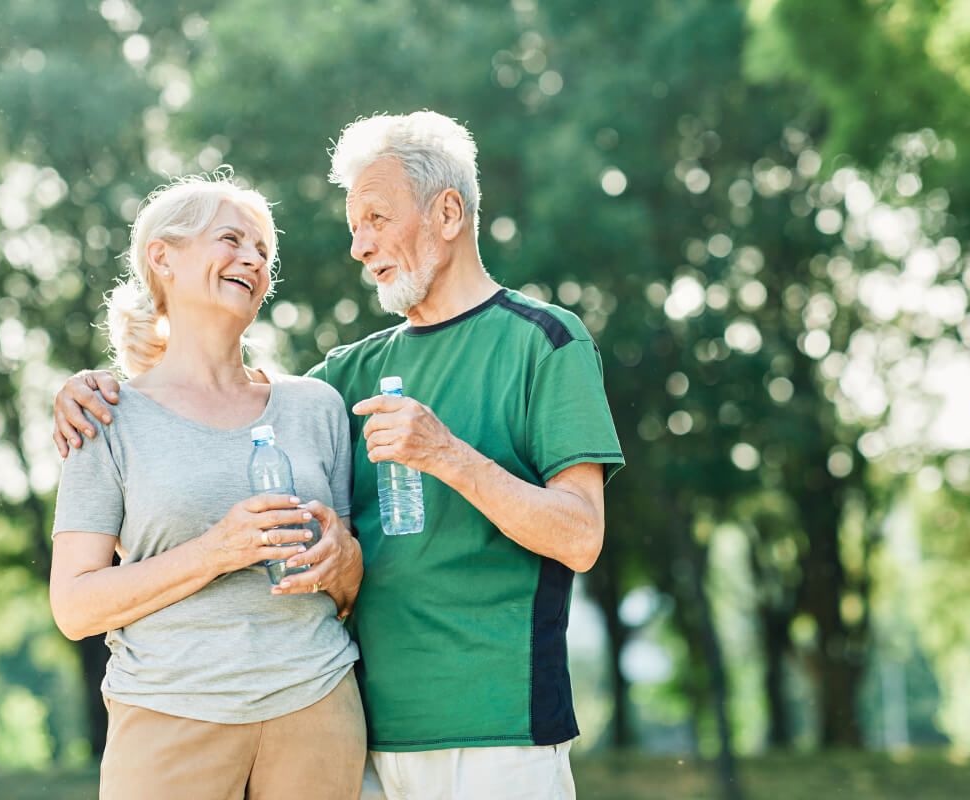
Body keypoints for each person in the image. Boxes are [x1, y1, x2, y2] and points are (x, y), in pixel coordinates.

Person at [54, 112, 624, 799]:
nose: (359, 246)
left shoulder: (543, 342)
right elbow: (223, 410)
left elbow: (581, 536)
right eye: (354, 225)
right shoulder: (339, 381)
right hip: (364, 733)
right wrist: (85, 387)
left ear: (448, 212)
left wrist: (445, 457)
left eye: (377, 219)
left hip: (494, 727)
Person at [49, 174, 367, 800]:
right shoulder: (105, 416)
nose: (252, 259)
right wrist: (217, 552)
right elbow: (75, 606)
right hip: (168, 717)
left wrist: (346, 561)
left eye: (263, 253)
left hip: (317, 705)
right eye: (231, 239)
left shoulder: (318, 408)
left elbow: (348, 590)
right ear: (162, 257)